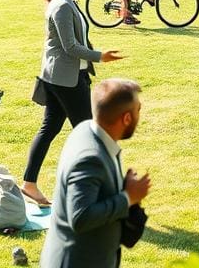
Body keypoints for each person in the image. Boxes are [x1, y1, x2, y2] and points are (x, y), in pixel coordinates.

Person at [21, 0, 123, 207]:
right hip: (65, 80)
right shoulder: (62, 6)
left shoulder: (67, 0)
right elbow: (70, 46)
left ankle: (29, 185)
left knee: (50, 129)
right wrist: (100, 56)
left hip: (61, 76)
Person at [40, 78, 150, 268]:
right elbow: (81, 217)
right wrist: (128, 197)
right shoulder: (90, 159)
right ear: (126, 118)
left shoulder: (86, 130)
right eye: (138, 109)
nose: (140, 114)